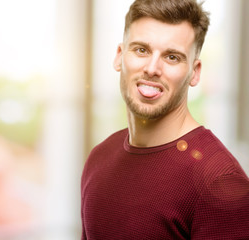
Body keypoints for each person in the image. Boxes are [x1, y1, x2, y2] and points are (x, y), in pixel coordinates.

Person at [80, 0, 249, 239]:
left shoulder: (220, 181)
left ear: (195, 72)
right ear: (119, 56)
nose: (152, 68)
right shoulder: (100, 157)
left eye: (172, 57)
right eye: (141, 50)